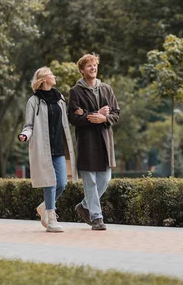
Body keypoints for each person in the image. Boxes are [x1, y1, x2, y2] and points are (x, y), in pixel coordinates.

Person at [18, 67, 78, 232]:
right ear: (44, 79)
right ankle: (51, 218)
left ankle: (44, 206)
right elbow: (29, 125)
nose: (54, 76)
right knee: (49, 182)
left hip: (58, 146)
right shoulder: (34, 101)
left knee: (62, 183)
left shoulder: (60, 99)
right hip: (42, 148)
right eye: (51, 74)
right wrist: (24, 135)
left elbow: (65, 121)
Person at [69, 53, 120, 231]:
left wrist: (104, 119)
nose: (93, 68)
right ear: (82, 70)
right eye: (89, 66)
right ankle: (97, 217)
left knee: (105, 179)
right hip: (86, 142)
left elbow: (116, 113)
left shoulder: (106, 89)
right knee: (90, 181)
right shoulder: (75, 91)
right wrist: (94, 115)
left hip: (105, 140)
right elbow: (73, 118)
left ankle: (84, 205)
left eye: (95, 65)